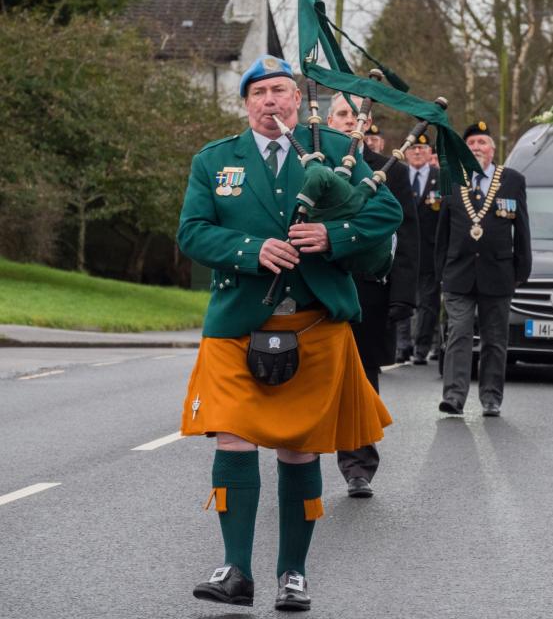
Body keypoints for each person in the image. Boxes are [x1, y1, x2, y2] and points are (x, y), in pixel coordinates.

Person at [177, 55, 402, 611]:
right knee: (232, 437)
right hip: (236, 324)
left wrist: (333, 236)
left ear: (298, 100)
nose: (270, 101)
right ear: (246, 103)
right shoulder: (214, 161)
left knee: (300, 452)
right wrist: (251, 250)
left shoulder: (336, 151)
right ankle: (235, 570)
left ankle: (293, 575)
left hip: (314, 323)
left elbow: (387, 212)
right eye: (258, 93)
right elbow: (192, 232)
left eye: (280, 90)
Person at [326, 94, 419, 497]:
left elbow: (409, 235)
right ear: (327, 120)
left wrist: (404, 293)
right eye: (343, 114)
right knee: (308, 377)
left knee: (361, 379)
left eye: (357, 115)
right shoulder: (304, 166)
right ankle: (298, 457)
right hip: (314, 291)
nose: (351, 121)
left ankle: (358, 465)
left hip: (368, 291)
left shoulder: (388, 170)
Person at [435, 121, 531, 416]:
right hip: (459, 273)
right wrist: (441, 273)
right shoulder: (451, 179)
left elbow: (522, 229)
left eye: (483, 143)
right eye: (472, 144)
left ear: (493, 149)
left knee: (495, 339)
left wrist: (521, 270)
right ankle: (453, 396)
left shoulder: (512, 180)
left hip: (498, 274)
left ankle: (491, 397)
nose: (477, 148)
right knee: (459, 334)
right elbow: (443, 233)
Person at [396, 132, 442, 365]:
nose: (416, 152)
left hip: (430, 251)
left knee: (427, 303)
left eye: (422, 149)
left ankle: (421, 347)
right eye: (412, 148)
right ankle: (402, 345)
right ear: (406, 152)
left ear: (429, 153)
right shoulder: (398, 175)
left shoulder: (440, 178)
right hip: (402, 250)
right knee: (402, 298)